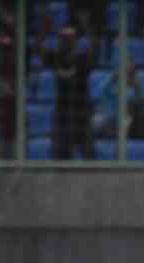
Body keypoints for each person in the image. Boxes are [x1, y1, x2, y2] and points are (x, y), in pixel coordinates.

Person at [35, 21, 98, 160]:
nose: (67, 40)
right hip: (62, 112)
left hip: (81, 111)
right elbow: (38, 49)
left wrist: (87, 28)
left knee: (89, 155)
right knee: (60, 155)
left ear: (76, 40)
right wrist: (44, 31)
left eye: (71, 37)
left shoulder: (82, 59)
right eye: (64, 37)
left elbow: (94, 48)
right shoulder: (56, 57)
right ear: (60, 39)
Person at [0, 35, 15, 159]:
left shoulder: (16, 68)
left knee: (12, 156)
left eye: (5, 50)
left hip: (12, 121)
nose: (2, 53)